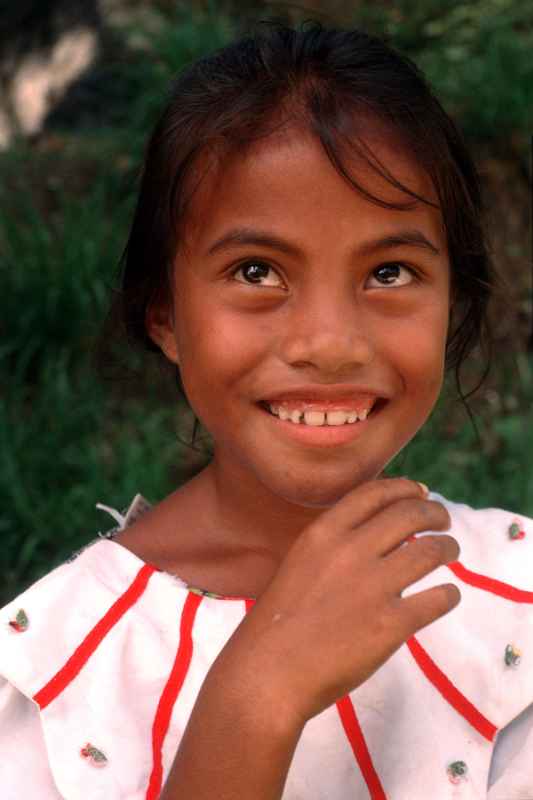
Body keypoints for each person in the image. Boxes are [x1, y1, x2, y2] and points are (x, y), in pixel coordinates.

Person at [1, 19, 532, 800]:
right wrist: (254, 702)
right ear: (165, 316)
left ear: (452, 307)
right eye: (257, 271)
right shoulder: (50, 678)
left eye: (388, 272)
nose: (330, 343)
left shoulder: (517, 610)